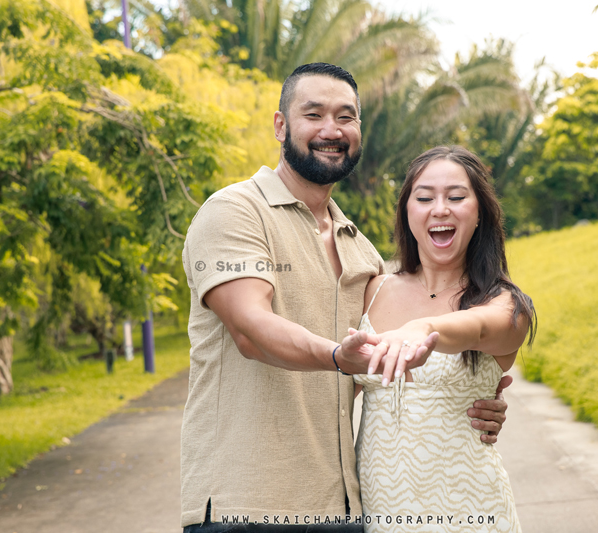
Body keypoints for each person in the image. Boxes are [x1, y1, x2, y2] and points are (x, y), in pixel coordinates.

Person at [180, 63, 511, 532]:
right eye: (313, 114)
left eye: (346, 117)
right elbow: (249, 331)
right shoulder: (234, 212)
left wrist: (467, 396)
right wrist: (338, 357)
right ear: (281, 125)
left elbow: (374, 371)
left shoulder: (362, 252)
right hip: (247, 503)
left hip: (344, 507)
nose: (330, 130)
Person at [350, 145, 535, 532]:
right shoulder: (373, 290)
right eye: (424, 197)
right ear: (406, 211)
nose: (440, 209)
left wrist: (424, 328)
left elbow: (481, 328)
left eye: (456, 197)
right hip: (381, 511)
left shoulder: (505, 303)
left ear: (480, 212)